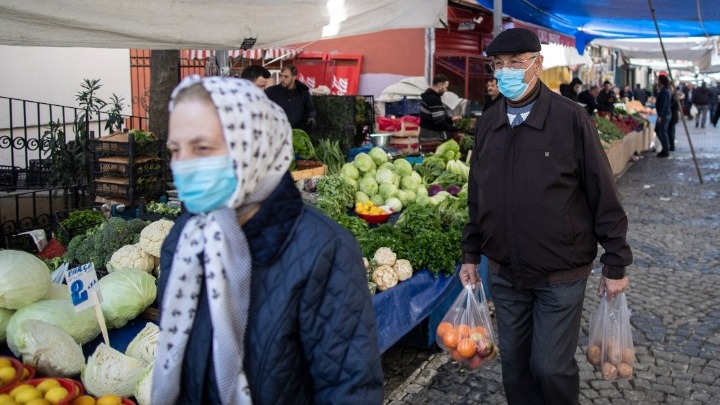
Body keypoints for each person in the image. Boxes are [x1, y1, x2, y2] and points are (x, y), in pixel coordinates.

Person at [152, 76, 384, 405]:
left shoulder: (325, 251)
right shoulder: (184, 238)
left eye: (202, 147)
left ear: (253, 145)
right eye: (176, 149)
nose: (183, 164)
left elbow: (349, 390)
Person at [459, 28, 632, 405]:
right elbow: (477, 194)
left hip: (560, 272)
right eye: (497, 65)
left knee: (550, 366)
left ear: (538, 64)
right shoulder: (488, 121)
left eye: (515, 64)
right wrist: (470, 254)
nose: (505, 72)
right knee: (516, 368)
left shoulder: (571, 119)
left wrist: (616, 261)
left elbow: (602, 191)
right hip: (506, 272)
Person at [265, 64, 317, 130]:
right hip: (276, 133)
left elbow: (310, 109)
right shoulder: (270, 92)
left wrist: (311, 117)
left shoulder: (303, 93)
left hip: (297, 134)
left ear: (294, 77)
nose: (282, 79)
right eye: (281, 76)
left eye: (286, 77)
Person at [419, 74, 461, 150]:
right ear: (440, 85)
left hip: (425, 135)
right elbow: (439, 122)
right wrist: (455, 129)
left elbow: (433, 117)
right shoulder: (434, 99)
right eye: (445, 87)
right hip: (431, 138)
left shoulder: (427, 96)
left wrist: (451, 119)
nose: (446, 90)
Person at [654, 75, 672, 158]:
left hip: (664, 115)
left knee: (662, 132)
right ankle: (665, 149)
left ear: (661, 81)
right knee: (659, 130)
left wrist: (660, 115)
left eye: (658, 80)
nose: (657, 82)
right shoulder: (666, 90)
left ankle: (665, 150)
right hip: (665, 114)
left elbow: (663, 104)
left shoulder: (665, 91)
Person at [668, 83, 680, 152]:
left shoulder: (674, 98)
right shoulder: (674, 97)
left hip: (673, 117)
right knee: (671, 131)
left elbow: (672, 106)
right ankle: (671, 145)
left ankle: (672, 146)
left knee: (671, 132)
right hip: (673, 116)